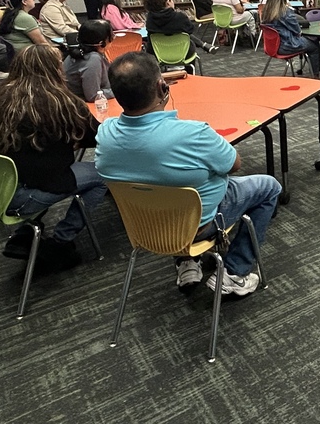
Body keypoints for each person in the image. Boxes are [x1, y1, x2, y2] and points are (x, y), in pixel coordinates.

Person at [96, 52, 280, 294]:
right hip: (199, 225)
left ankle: (186, 262)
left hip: (145, 226)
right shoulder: (194, 133)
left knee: (163, 190)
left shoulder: (105, 133)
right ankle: (234, 272)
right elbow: (234, 164)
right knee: (269, 187)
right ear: (162, 87)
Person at [0, 44, 107, 268]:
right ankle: (60, 242)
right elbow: (96, 136)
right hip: (22, 196)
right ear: (55, 69)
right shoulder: (61, 102)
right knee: (103, 174)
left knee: (42, 168)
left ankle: (26, 231)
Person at [260, 0, 320, 77]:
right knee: (315, 45)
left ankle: (308, 69)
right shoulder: (285, 11)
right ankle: (318, 75)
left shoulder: (266, 10)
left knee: (308, 42)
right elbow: (297, 30)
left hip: (272, 46)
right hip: (287, 45)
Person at [143, 0, 213, 56]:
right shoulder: (179, 17)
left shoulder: (150, 19)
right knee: (187, 37)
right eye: (172, 0)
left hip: (158, 54)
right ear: (168, 2)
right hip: (182, 53)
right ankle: (190, 68)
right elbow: (190, 29)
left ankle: (203, 45)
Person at [63, 20, 115, 102]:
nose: (114, 37)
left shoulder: (79, 53)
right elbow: (93, 95)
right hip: (81, 106)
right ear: (101, 43)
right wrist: (118, 91)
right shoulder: (93, 59)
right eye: (112, 36)